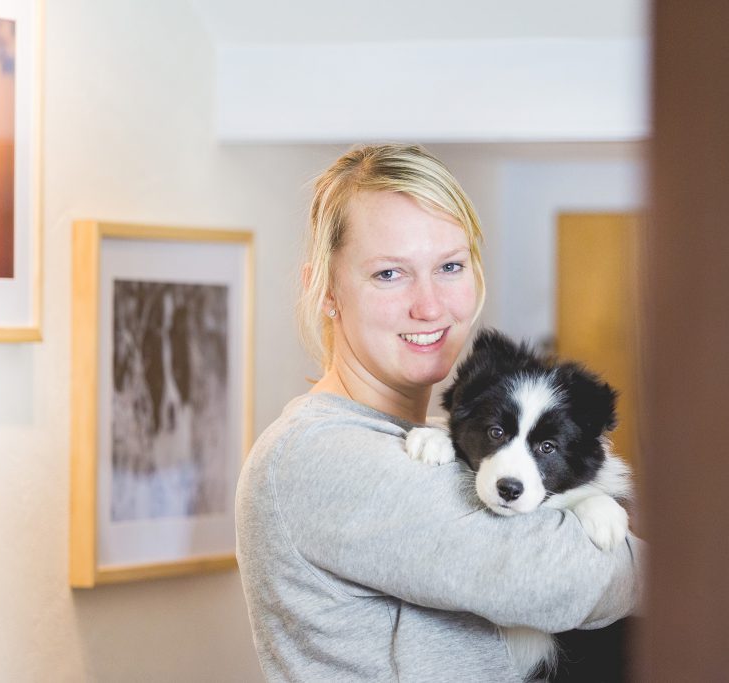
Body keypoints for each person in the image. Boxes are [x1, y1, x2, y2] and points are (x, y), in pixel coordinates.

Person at [235, 144, 643, 682]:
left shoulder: (449, 441)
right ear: (326, 289)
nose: (429, 306)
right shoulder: (314, 455)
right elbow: (556, 581)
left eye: (449, 266)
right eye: (388, 274)